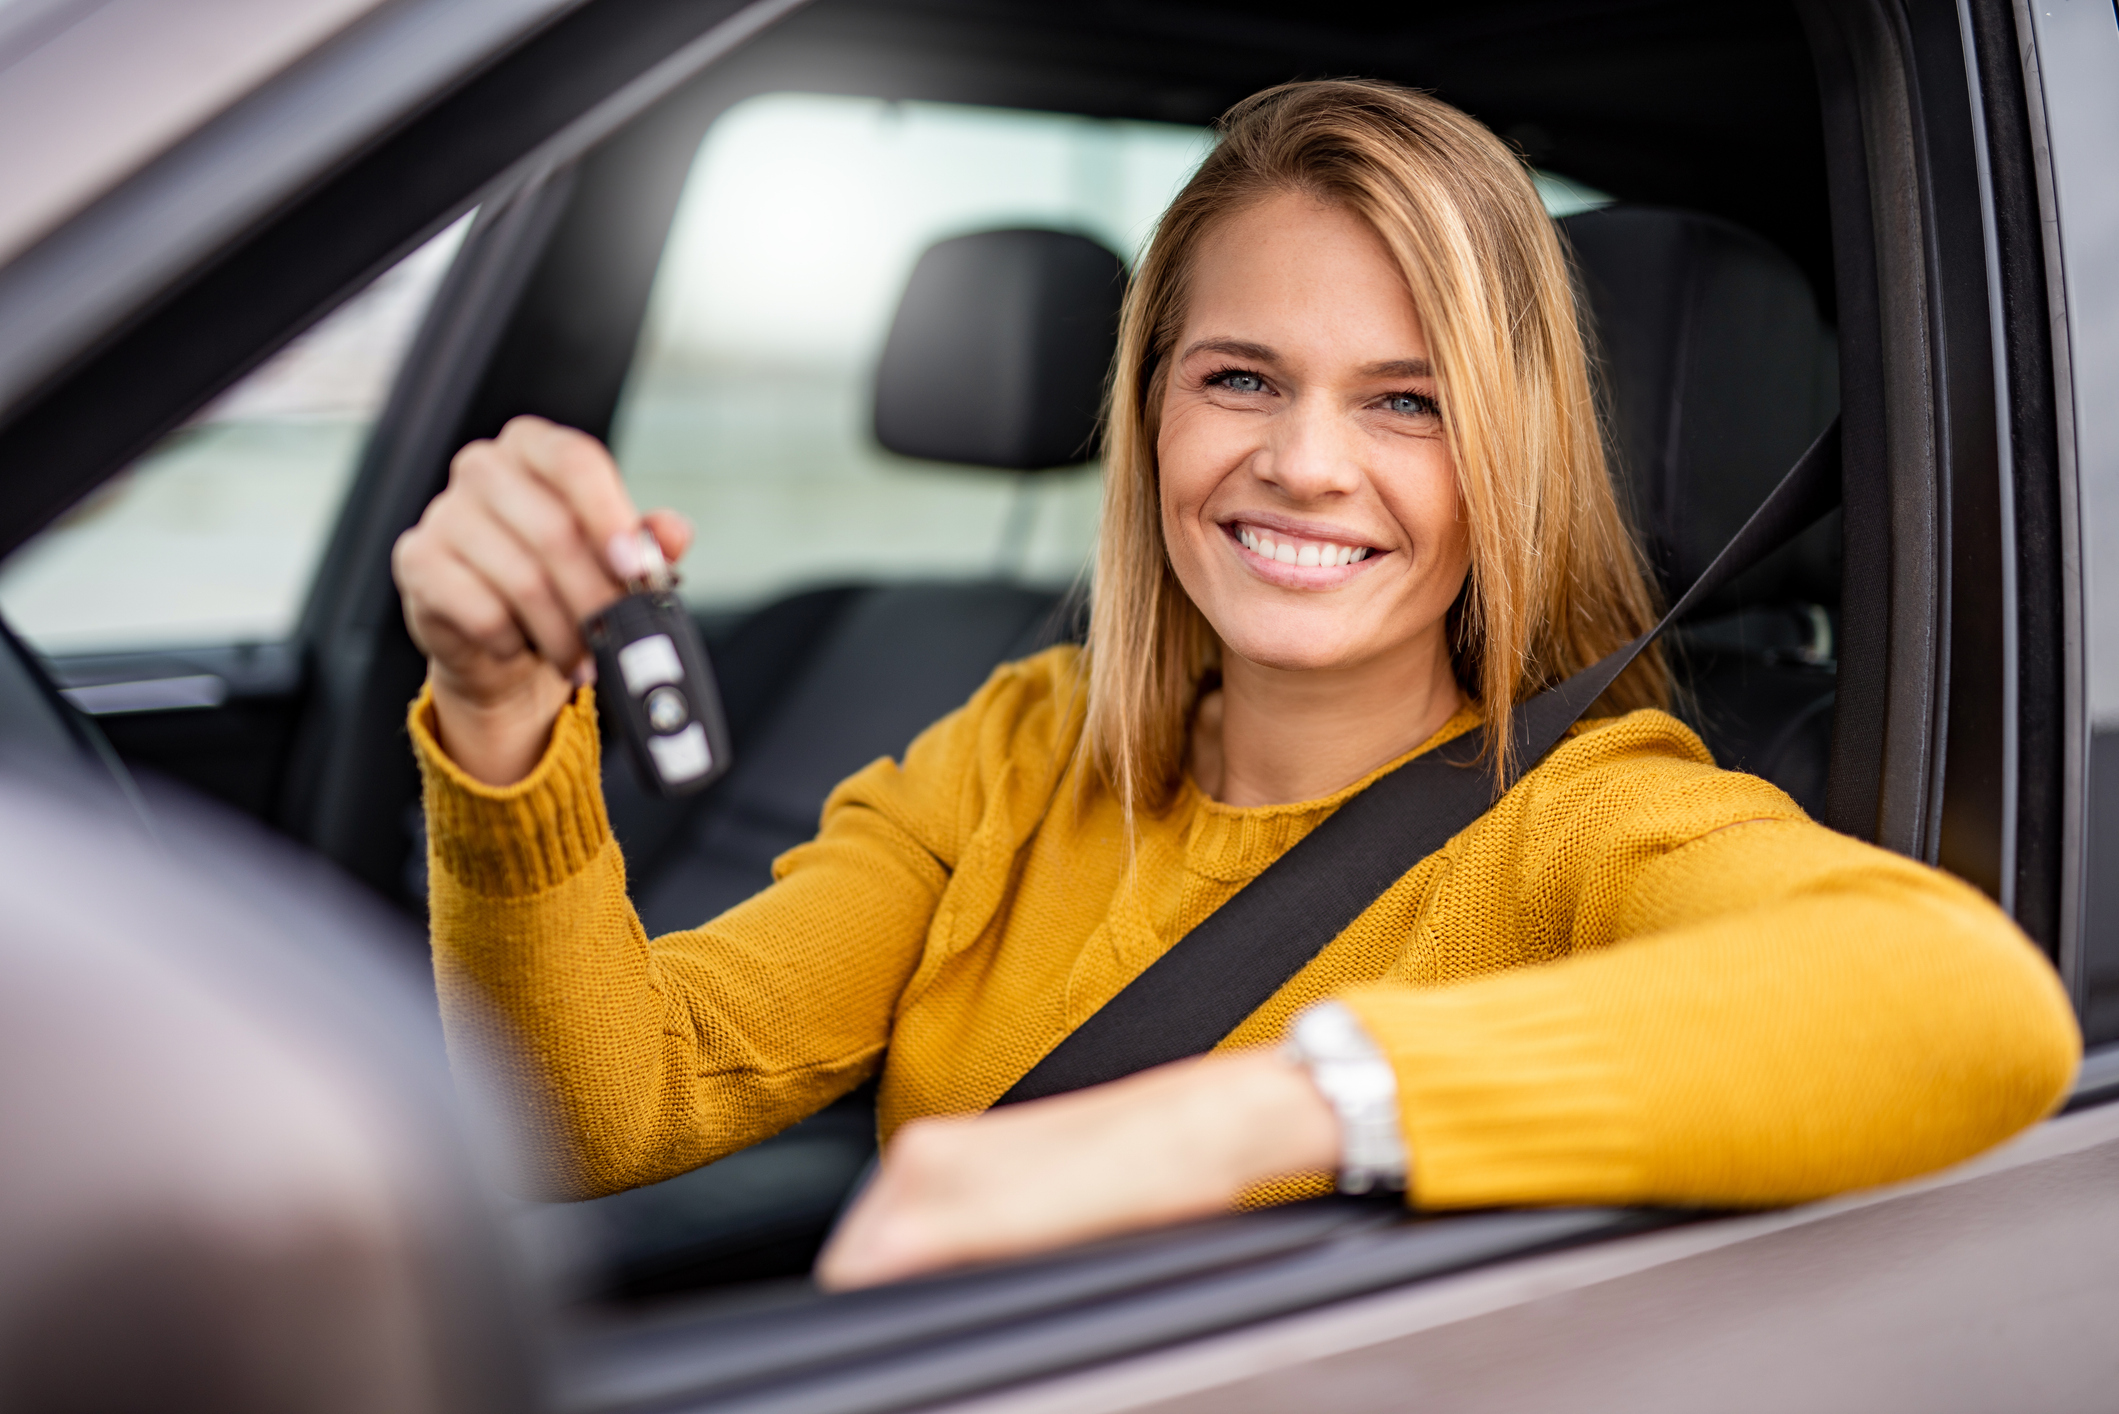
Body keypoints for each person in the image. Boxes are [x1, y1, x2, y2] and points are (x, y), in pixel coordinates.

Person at [391, 79, 2080, 1290]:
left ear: (1517, 458)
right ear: (1149, 414)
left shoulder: (1591, 819)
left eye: (1409, 403)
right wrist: (498, 720)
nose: (1303, 463)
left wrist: (1235, 1118)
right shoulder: (1018, 751)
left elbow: (1966, 1003)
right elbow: (600, 1109)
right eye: (1242, 376)